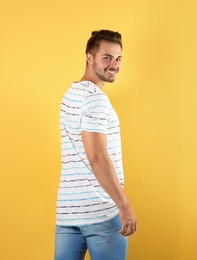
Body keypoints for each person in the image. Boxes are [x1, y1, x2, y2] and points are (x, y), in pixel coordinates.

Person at [55, 30, 137, 260]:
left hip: (68, 213)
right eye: (107, 57)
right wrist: (124, 206)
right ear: (90, 57)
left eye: (119, 58)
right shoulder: (95, 99)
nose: (114, 64)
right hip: (100, 212)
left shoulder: (71, 93)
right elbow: (97, 158)